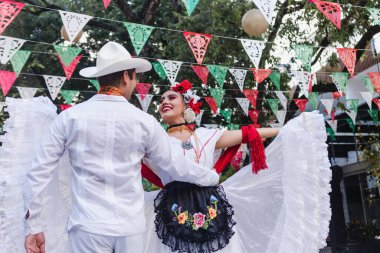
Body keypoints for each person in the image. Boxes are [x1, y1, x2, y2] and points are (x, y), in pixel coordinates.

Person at [23, 42, 220, 253]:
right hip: (129, 228)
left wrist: (33, 225)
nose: (135, 83)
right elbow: (175, 164)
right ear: (126, 76)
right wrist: (211, 178)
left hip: (87, 226)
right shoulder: (144, 122)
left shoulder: (70, 117)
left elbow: (38, 171)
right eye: (135, 77)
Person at [142, 80, 332, 253]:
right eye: (161, 100)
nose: (164, 102)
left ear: (186, 106)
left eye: (171, 97)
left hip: (211, 210)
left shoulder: (204, 136)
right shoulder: (155, 141)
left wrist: (285, 130)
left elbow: (247, 133)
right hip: (171, 211)